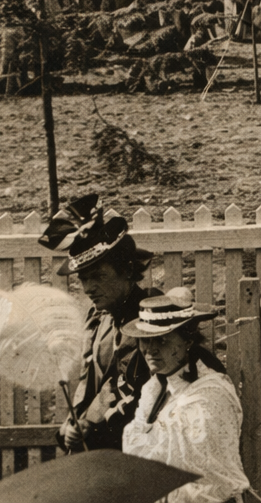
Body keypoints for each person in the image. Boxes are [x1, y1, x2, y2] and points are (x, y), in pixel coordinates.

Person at [38, 194, 155, 453]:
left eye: (99, 276)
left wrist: (94, 433)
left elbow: (145, 397)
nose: (89, 288)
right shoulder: (100, 317)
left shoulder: (149, 318)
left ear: (127, 270)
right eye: (84, 279)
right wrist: (73, 424)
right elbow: (88, 385)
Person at [121, 288, 250, 503]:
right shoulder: (154, 388)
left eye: (162, 340)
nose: (151, 350)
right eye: (145, 340)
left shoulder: (208, 397)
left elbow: (206, 484)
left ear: (187, 342)